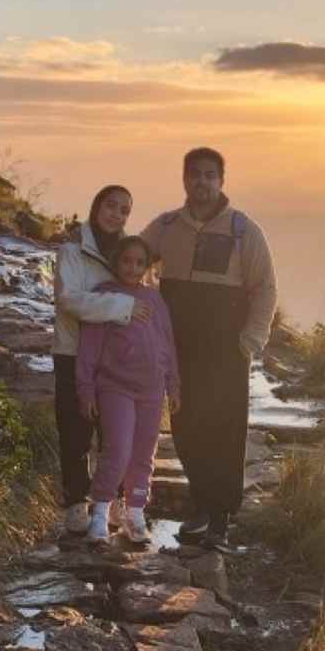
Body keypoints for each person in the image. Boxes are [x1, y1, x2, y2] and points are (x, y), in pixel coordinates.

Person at [140, 147, 277, 549]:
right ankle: (201, 502)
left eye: (210, 175)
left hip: (226, 348)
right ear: (184, 179)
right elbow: (130, 260)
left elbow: (265, 287)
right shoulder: (166, 227)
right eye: (195, 174)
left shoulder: (243, 230)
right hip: (179, 344)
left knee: (225, 431)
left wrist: (250, 341)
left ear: (221, 181)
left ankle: (220, 516)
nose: (202, 181)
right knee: (185, 427)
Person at [52, 184, 149, 534]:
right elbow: (70, 300)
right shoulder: (71, 251)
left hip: (116, 360)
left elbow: (144, 300)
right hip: (72, 351)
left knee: (115, 434)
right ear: (96, 207)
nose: (117, 214)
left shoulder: (128, 254)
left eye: (124, 210)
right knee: (75, 430)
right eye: (111, 206)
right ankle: (76, 504)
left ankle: (113, 501)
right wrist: (121, 308)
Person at [74, 236, 180, 546]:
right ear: (116, 261)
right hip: (115, 387)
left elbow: (167, 345)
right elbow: (89, 348)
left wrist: (173, 384)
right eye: (126, 261)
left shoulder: (156, 300)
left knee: (144, 455)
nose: (132, 268)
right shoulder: (104, 296)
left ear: (148, 267)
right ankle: (100, 513)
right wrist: (86, 390)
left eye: (139, 263)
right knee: (117, 449)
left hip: (152, 390)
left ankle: (134, 513)